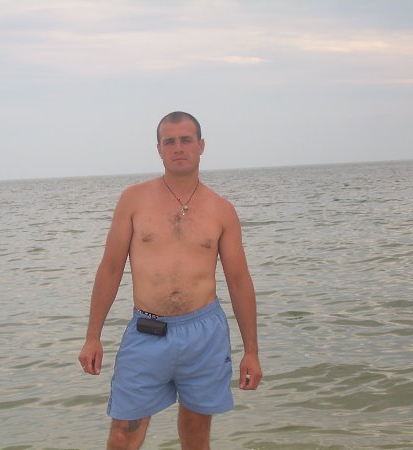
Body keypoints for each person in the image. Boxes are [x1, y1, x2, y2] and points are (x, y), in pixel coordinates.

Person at [78, 111, 262, 450]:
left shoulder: (222, 210)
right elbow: (111, 268)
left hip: (204, 334)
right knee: (123, 434)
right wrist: (93, 337)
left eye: (186, 140)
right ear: (159, 149)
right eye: (170, 141)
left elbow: (238, 281)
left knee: (196, 434)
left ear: (201, 146)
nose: (178, 147)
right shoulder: (133, 200)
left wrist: (251, 351)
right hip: (147, 331)